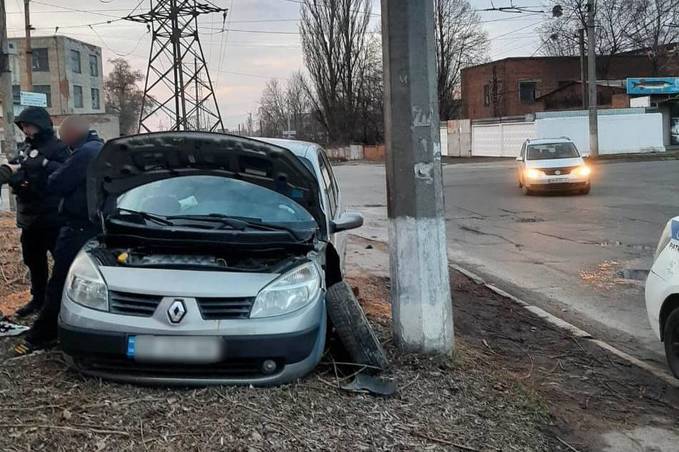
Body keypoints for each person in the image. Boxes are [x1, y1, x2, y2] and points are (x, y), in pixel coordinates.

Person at [14, 116, 104, 355]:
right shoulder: (102, 148)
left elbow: (57, 182)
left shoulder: (84, 153)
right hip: (89, 225)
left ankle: (42, 335)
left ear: (73, 134)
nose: (63, 141)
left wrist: (43, 167)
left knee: (60, 280)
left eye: (64, 137)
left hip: (76, 227)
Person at [9, 107, 69, 317]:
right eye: (23, 126)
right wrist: (15, 178)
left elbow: (66, 172)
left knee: (62, 262)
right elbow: (21, 167)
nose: (25, 130)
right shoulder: (26, 147)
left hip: (52, 216)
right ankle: (38, 299)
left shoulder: (58, 148)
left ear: (40, 124)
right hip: (30, 216)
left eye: (28, 126)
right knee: (33, 260)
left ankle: (62, 301)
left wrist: (44, 164)